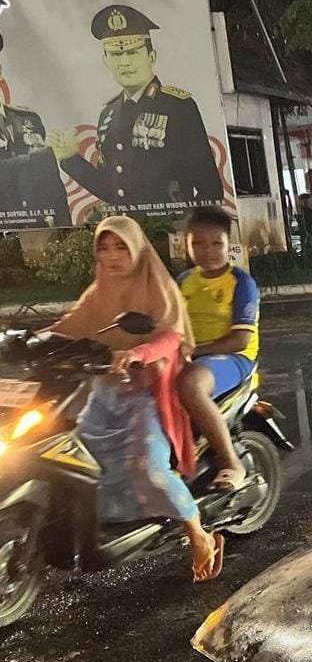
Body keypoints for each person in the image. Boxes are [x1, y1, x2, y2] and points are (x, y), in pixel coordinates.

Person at [48, 215, 223, 581]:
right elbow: (70, 326)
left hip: (150, 393)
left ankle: (198, 534)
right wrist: (26, 341)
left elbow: (171, 336)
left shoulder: (158, 286)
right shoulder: (99, 291)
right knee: (75, 458)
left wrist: (138, 353)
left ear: (137, 250)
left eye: (121, 247)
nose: (112, 256)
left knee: (149, 467)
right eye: (104, 248)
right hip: (106, 392)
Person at [47, 5, 222, 212]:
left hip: (170, 227)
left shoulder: (177, 106)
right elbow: (113, 191)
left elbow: (210, 188)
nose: (125, 62)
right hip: (128, 227)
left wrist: (186, 225)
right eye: (116, 54)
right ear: (106, 61)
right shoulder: (108, 114)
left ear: (151, 57)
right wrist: (70, 159)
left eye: (132, 52)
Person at [175, 206, 257, 491]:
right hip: (189, 357)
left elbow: (240, 340)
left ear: (228, 245)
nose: (207, 251)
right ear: (186, 245)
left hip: (233, 358)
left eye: (216, 243)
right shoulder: (184, 281)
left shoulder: (241, 283)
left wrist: (193, 352)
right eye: (198, 243)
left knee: (190, 384)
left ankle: (230, 462)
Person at [0, 30, 70, 226]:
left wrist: (65, 228)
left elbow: (52, 184)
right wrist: (36, 160)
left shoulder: (27, 119)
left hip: (39, 228)